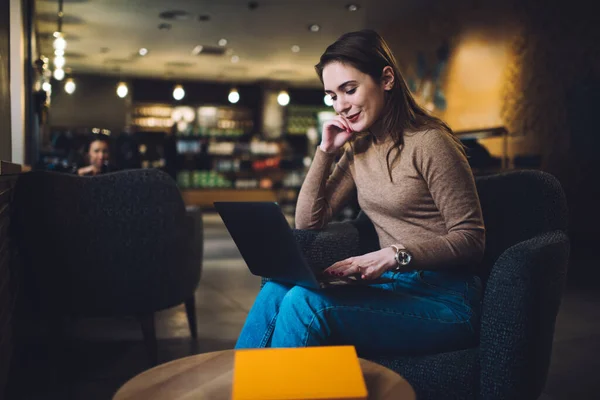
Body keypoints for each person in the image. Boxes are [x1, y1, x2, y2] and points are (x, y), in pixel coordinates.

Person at [235, 30, 485, 356]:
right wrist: (325, 151)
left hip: (446, 299)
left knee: (304, 304)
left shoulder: (430, 142)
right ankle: (243, 388)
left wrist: (395, 254)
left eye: (349, 90)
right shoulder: (358, 147)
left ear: (386, 79)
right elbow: (309, 221)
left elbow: (472, 239)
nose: (341, 106)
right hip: (394, 285)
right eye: (332, 96)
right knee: (277, 287)